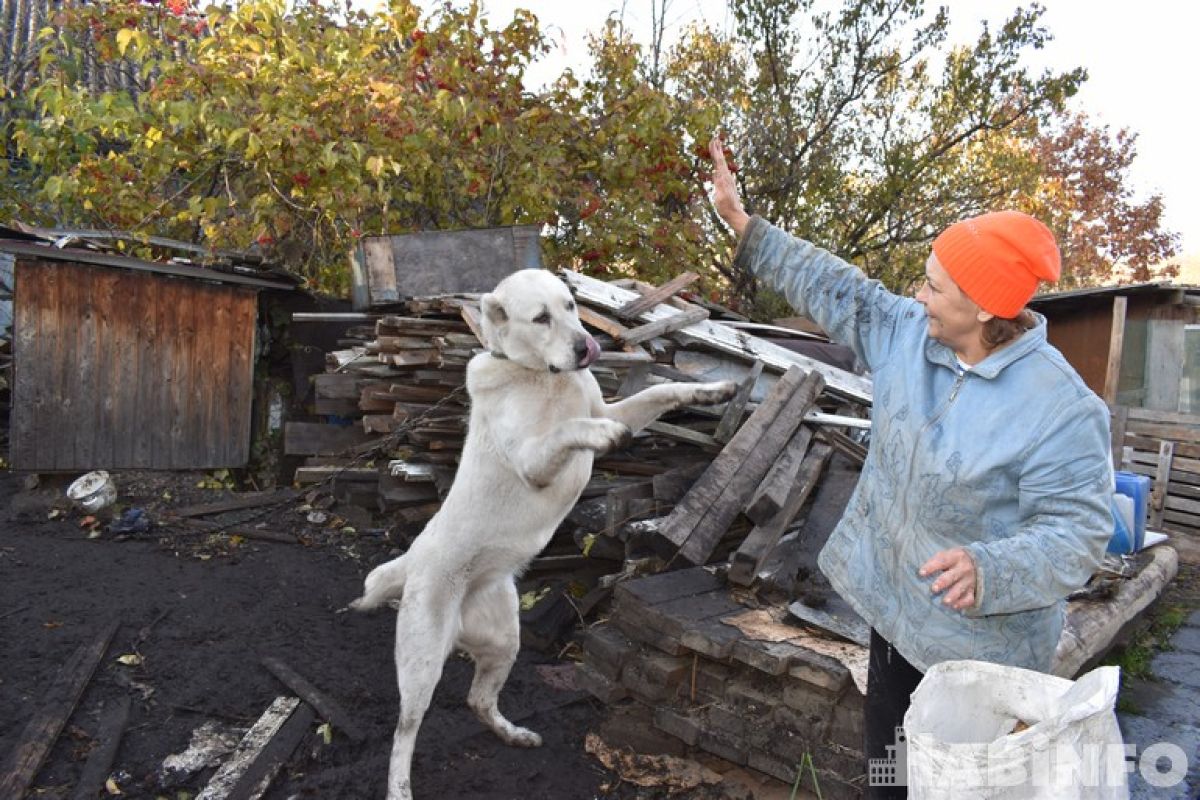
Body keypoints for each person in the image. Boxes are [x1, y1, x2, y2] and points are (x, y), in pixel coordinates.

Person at [706, 137, 1113, 798]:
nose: (917, 292)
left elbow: (1080, 533)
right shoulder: (907, 336)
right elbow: (836, 286)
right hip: (897, 619)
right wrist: (742, 224)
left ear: (984, 308)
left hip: (982, 659)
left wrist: (993, 567)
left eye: (934, 284)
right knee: (889, 778)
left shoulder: (1061, 411)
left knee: (958, 790)